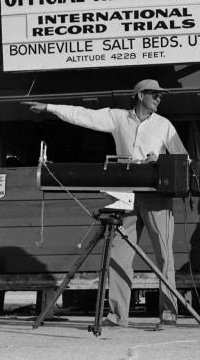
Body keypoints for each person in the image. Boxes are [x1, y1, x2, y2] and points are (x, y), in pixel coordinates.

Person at [22, 79, 188, 329]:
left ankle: (168, 313)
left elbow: (183, 159)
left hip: (157, 195)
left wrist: (161, 159)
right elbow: (83, 115)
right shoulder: (118, 118)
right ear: (140, 95)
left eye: (160, 95)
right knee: (118, 254)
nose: (159, 98)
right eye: (155, 94)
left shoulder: (165, 125)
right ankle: (118, 316)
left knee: (164, 255)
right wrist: (48, 107)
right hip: (124, 194)